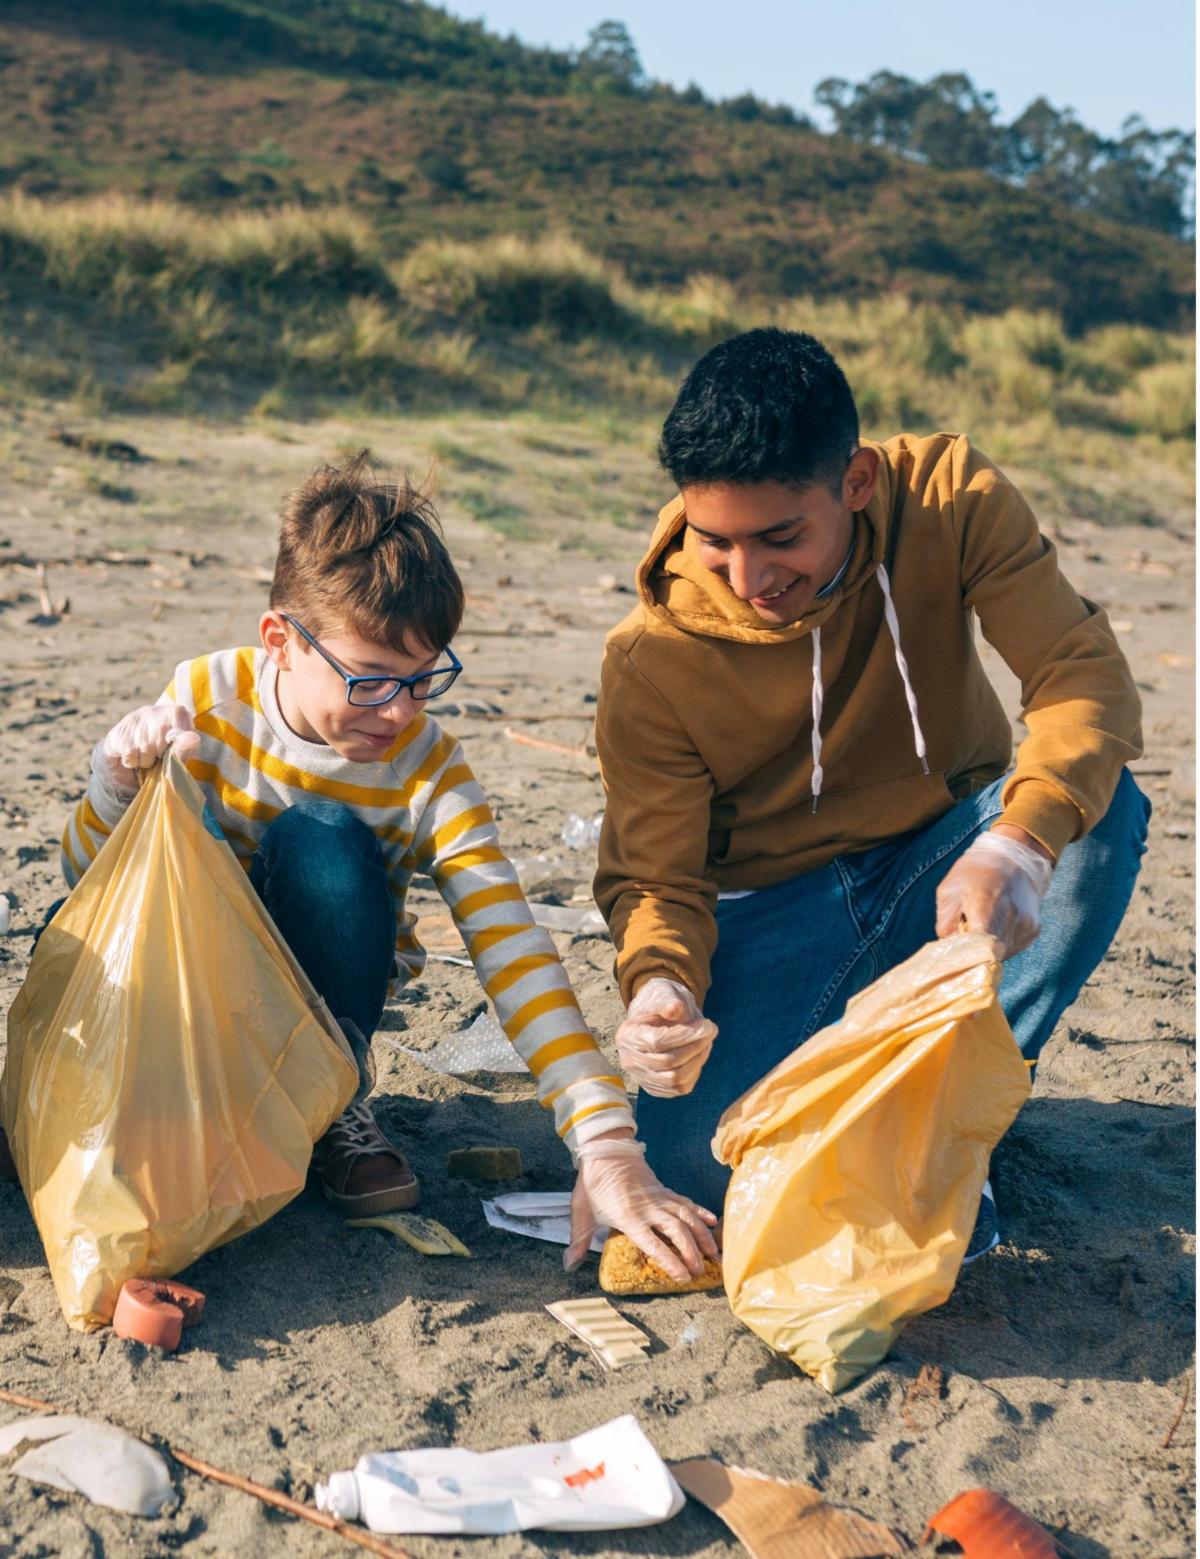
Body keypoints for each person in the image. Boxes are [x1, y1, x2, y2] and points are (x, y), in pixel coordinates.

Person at [54, 452, 717, 1280]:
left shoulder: (427, 765)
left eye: (422, 679)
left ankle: (330, 1105)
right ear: (280, 641)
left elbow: (512, 946)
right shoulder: (203, 699)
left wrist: (606, 1142)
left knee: (327, 838)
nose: (399, 711)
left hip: (317, 1010)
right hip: (190, 997)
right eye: (369, 682)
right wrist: (116, 782)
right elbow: (89, 885)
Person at [593, 328, 1149, 1246]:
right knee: (697, 1169)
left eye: (779, 538)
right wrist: (661, 983)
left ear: (855, 482)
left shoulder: (951, 498)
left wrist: (1019, 843)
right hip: (778, 911)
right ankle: (899, 1127)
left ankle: (944, 1119)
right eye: (715, 541)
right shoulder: (650, 657)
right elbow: (658, 879)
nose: (749, 578)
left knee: (1094, 813)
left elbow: (1082, 678)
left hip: (949, 861)